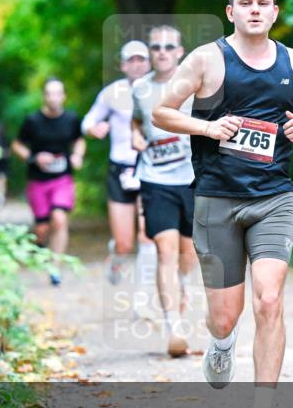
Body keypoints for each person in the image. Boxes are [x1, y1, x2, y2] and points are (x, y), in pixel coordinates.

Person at [153, 0, 293, 408]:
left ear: (275, 11)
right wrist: (209, 129)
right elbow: (161, 112)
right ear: (231, 12)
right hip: (216, 199)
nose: (255, 9)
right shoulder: (208, 59)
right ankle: (223, 344)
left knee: (269, 300)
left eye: (263, 2)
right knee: (224, 318)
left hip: (274, 197)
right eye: (245, 2)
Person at [132, 26, 198, 358]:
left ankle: (185, 285)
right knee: (165, 251)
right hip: (155, 179)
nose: (161, 52)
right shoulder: (140, 88)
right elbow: (136, 121)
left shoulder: (194, 87)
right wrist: (136, 136)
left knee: (189, 255)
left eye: (168, 46)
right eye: (155, 46)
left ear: (179, 51)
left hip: (191, 179)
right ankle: (174, 326)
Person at [82, 40, 154, 286]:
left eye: (141, 59)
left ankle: (144, 298)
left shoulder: (162, 90)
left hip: (150, 168)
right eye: (131, 60)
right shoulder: (112, 93)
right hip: (120, 169)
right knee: (125, 243)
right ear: (123, 65)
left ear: (148, 63)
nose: (136, 65)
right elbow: (87, 122)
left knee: (148, 235)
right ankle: (117, 256)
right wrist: (94, 128)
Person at [11, 78, 86, 286]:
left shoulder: (71, 119)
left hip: (62, 179)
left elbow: (79, 140)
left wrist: (77, 156)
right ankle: (42, 248)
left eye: (57, 93)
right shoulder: (32, 121)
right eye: (49, 94)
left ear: (63, 96)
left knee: (59, 218)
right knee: (42, 229)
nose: (54, 97)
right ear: (44, 96)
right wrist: (33, 158)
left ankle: (55, 267)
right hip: (37, 180)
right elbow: (17, 144)